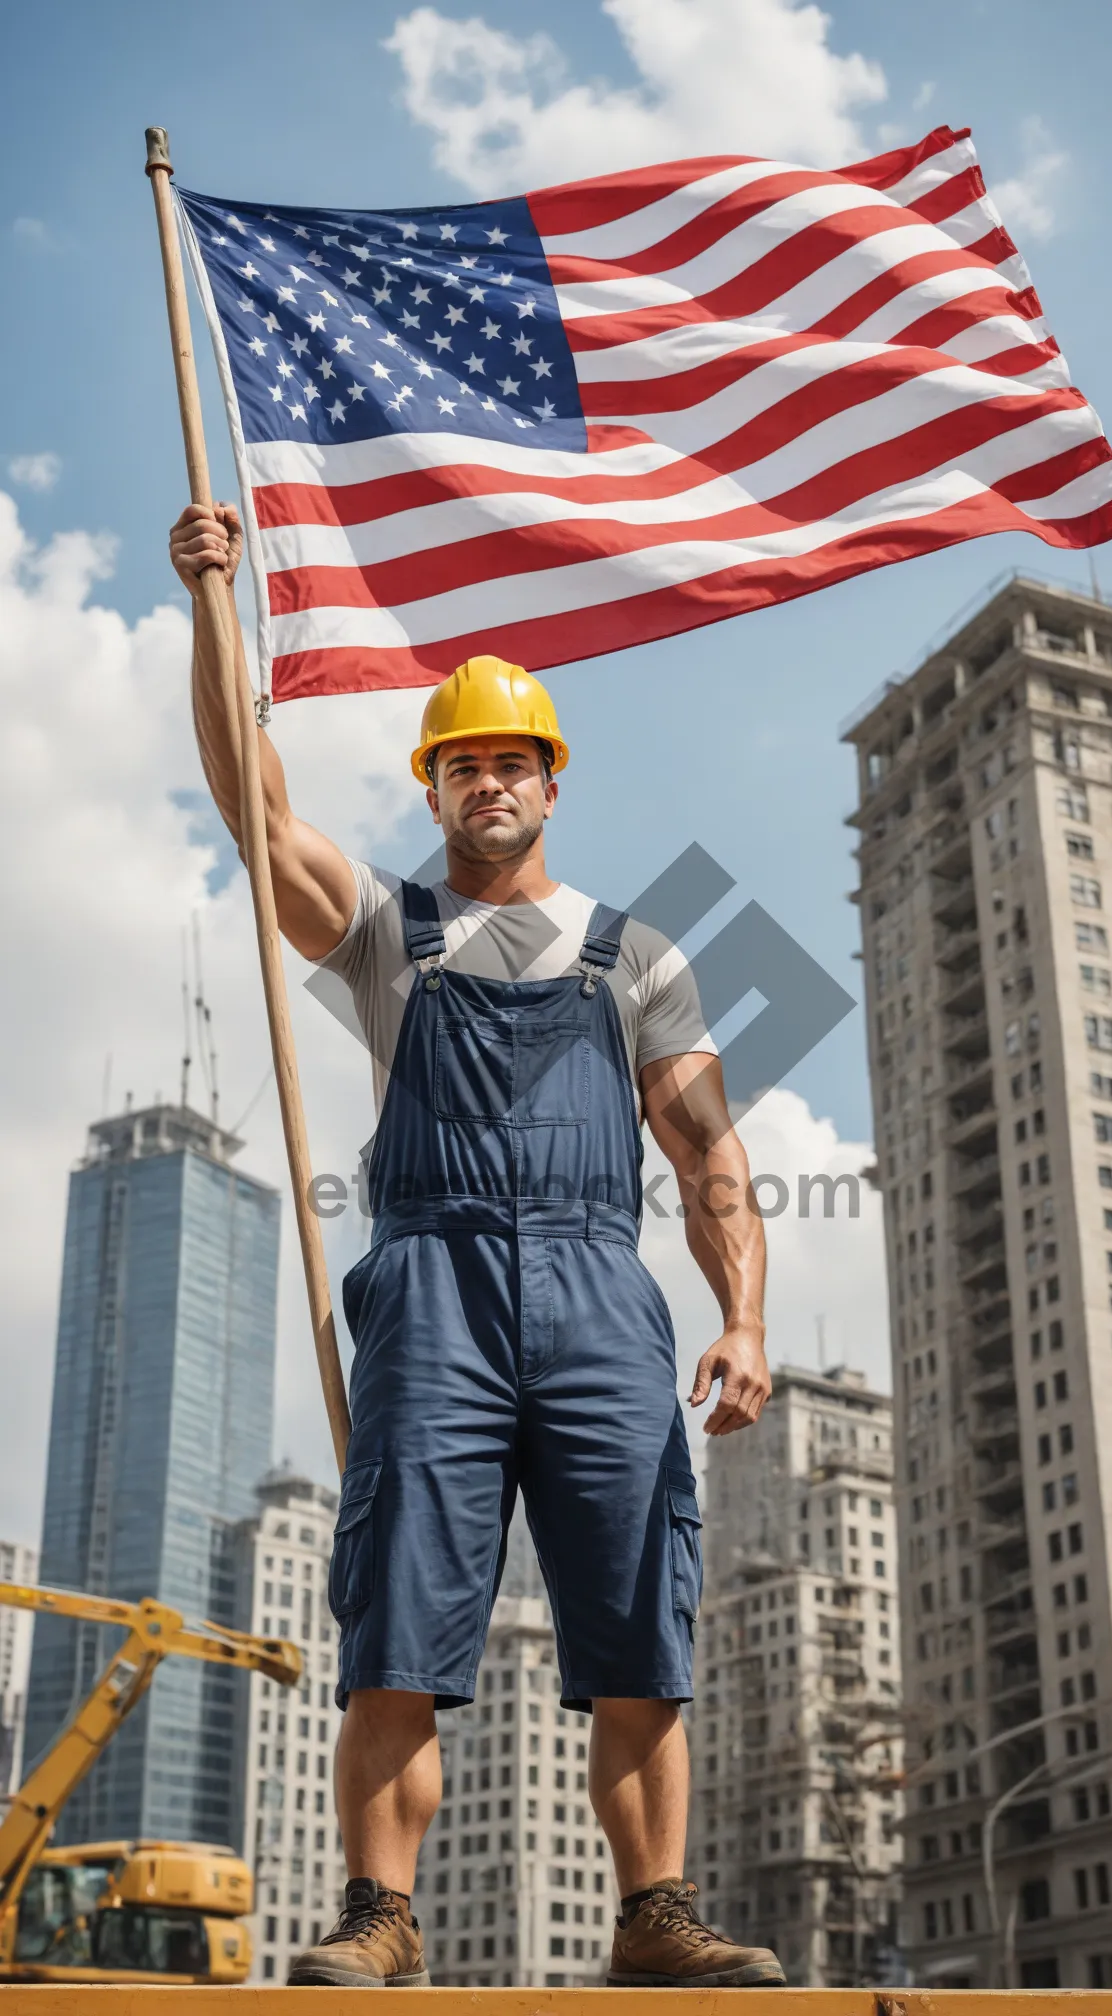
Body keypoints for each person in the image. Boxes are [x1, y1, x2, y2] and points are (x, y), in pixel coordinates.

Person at [169, 501, 785, 1991]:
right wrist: (213, 603)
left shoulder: (634, 953)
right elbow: (253, 808)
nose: (487, 778)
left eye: (512, 758)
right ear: (434, 785)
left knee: (639, 1619)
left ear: (550, 781)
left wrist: (746, 1318)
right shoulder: (393, 930)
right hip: (431, 1288)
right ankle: (380, 1916)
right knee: (399, 1618)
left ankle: (655, 1919)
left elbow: (707, 1153)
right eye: (462, 761)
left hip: (596, 1294)